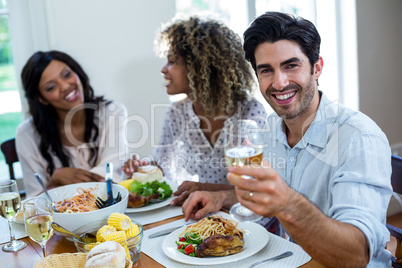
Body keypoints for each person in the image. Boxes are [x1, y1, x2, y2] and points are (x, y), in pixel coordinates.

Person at [181, 12, 392, 267]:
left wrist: (287, 203)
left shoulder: (359, 139)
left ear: (317, 68)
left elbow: (356, 255)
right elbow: (271, 193)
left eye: (291, 65)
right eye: (266, 70)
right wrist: (222, 198)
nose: (279, 83)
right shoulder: (271, 128)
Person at [121, 15, 267, 206]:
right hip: (208, 214)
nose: (164, 69)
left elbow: (257, 187)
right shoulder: (177, 112)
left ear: (199, 67)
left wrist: (203, 187)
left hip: (250, 217)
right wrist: (143, 167)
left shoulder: (250, 111)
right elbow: (162, 162)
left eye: (172, 61)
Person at [16, 50, 127, 197]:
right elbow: (35, 200)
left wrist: (57, 186)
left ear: (77, 73)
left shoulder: (112, 112)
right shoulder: (26, 134)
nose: (65, 86)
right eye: (51, 87)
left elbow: (109, 174)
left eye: (67, 74)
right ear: (42, 99)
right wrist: (55, 178)